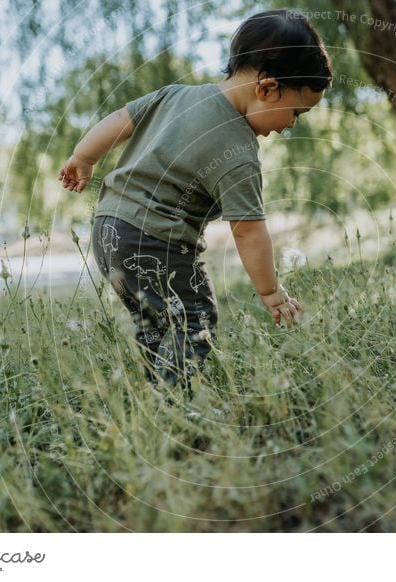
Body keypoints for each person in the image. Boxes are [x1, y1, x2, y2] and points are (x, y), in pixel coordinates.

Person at [57, 9, 333, 391]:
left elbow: (121, 119)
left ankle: (157, 392)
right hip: (156, 240)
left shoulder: (176, 95)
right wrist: (271, 292)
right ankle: (174, 403)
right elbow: (248, 231)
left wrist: (83, 157)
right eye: (297, 112)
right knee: (194, 318)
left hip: (108, 231)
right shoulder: (236, 151)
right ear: (267, 88)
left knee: (154, 323)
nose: (290, 125)